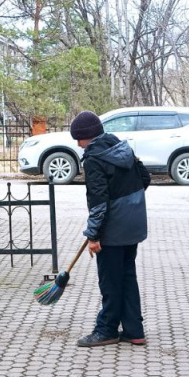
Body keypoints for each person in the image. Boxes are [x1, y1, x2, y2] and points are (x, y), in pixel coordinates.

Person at [69, 110, 152, 347]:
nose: (78, 144)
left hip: (113, 229)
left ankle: (106, 330)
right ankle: (134, 330)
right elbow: (144, 178)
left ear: (88, 136)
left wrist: (93, 235)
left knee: (110, 281)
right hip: (134, 224)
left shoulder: (94, 158)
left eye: (79, 138)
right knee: (127, 276)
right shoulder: (122, 149)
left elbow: (98, 201)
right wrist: (126, 202)